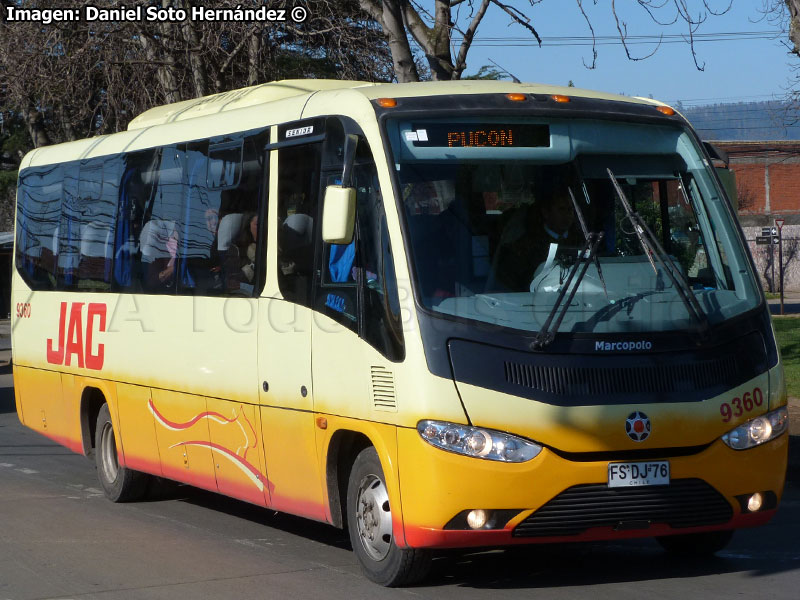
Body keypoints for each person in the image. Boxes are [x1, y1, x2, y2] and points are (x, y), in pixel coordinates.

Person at [493, 176, 582, 291]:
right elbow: (510, 281)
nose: (567, 215)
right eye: (561, 209)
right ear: (546, 213)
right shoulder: (526, 245)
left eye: (570, 210)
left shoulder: (582, 240)